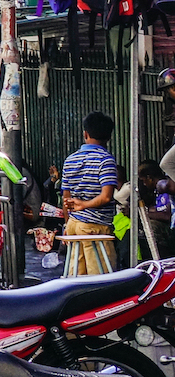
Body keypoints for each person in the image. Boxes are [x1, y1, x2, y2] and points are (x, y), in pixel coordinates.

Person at [60, 110, 120, 276]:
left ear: (85, 133)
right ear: (109, 137)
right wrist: (85, 205)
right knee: (100, 281)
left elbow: (66, 198)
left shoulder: (70, 159)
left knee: (75, 279)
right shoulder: (106, 160)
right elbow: (107, 196)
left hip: (73, 226)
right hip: (95, 228)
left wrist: (67, 224)